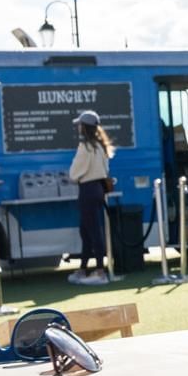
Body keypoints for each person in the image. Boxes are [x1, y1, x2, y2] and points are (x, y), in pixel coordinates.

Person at [68, 109, 114, 285]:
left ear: (84, 127)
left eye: (80, 125)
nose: (78, 127)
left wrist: (73, 176)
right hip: (98, 189)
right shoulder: (100, 146)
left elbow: (74, 173)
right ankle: (84, 268)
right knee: (88, 230)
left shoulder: (84, 147)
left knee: (91, 231)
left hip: (87, 190)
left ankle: (100, 271)